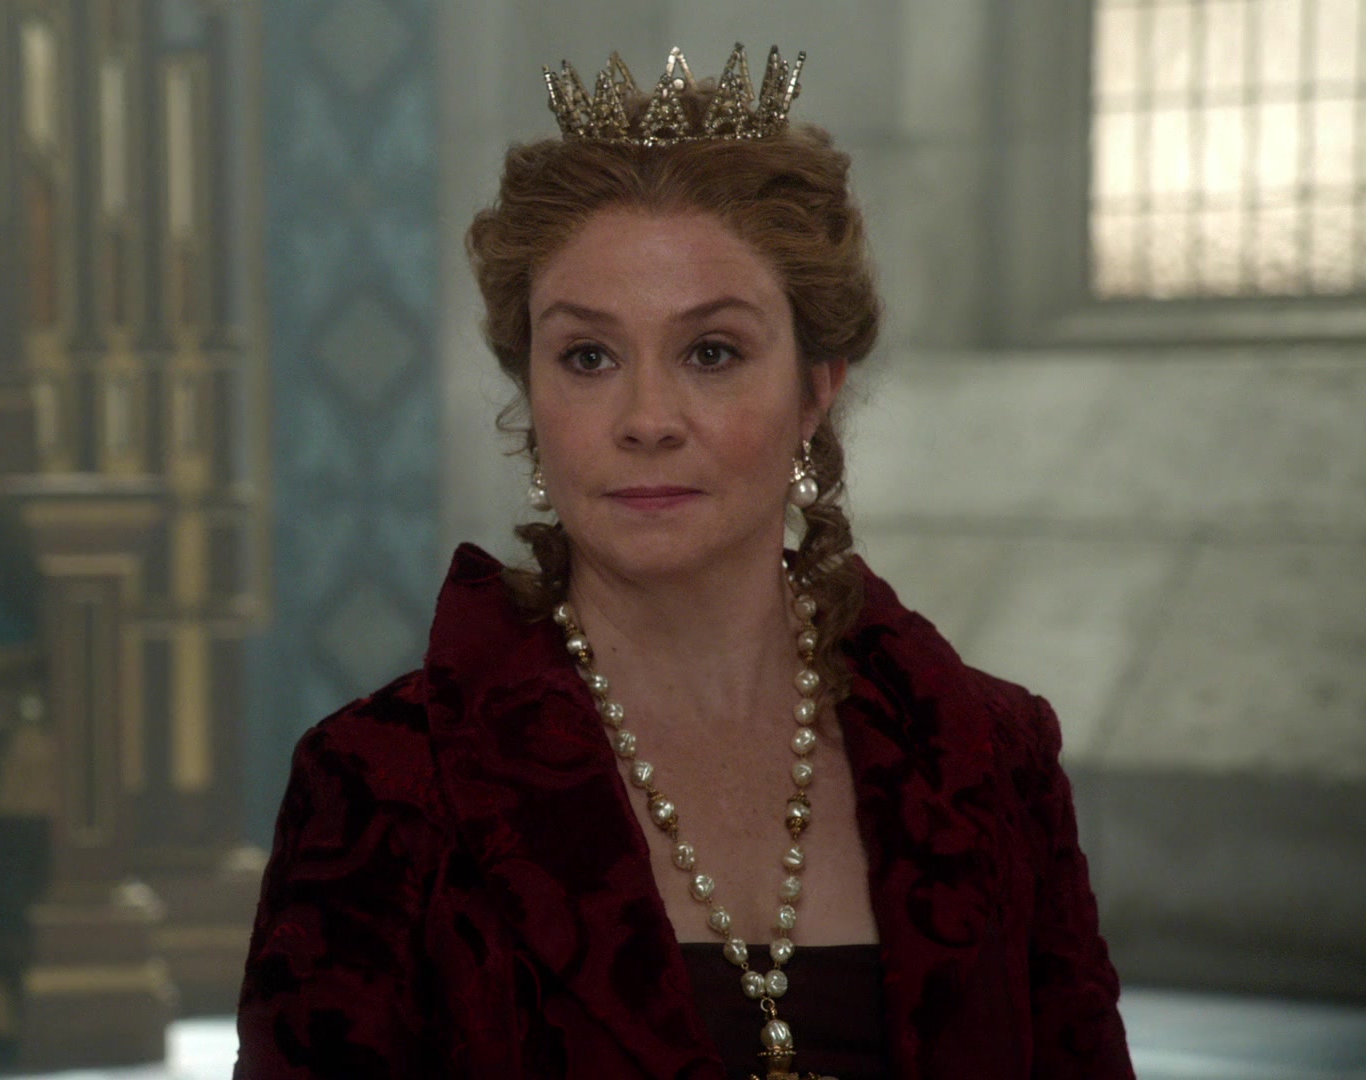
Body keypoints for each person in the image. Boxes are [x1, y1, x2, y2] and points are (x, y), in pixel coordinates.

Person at [235, 44, 1134, 1080]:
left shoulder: (990, 760)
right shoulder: (381, 784)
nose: (648, 419)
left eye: (711, 353)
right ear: (531, 394)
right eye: (588, 357)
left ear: (817, 389)